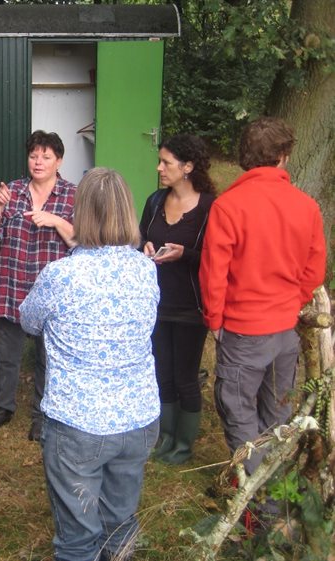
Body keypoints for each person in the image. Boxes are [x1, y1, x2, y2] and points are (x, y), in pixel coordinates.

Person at [20, 167, 160, 561]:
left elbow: (28, 319)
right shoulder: (145, 268)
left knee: (78, 540)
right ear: (127, 212)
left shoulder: (61, 274)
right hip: (138, 417)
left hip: (78, 422)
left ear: (80, 213)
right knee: (120, 520)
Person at [200, 117, 326, 475]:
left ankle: (260, 508)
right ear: (284, 156)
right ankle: (276, 493)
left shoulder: (228, 206)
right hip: (285, 331)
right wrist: (290, 303)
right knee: (277, 413)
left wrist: (215, 320)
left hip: (243, 332)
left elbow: (213, 275)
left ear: (243, 157)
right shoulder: (306, 206)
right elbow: (314, 272)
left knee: (239, 412)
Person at [0, 130, 76, 440]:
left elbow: (81, 242)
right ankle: (2, 408)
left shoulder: (73, 195)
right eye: (34, 155)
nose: (38, 162)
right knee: (8, 354)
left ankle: (42, 414)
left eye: (46, 157)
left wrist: (56, 221)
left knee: (48, 356)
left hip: (51, 294)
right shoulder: (13, 190)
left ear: (58, 161)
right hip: (13, 284)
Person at [139, 134, 216, 464]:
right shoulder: (155, 201)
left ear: (187, 167)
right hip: (156, 304)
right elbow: (141, 236)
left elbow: (216, 258)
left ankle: (183, 446)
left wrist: (186, 254)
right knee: (160, 373)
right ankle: (165, 437)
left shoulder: (211, 207)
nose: (159, 168)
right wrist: (142, 248)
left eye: (166, 163)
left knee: (185, 376)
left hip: (190, 307)